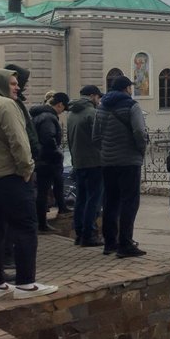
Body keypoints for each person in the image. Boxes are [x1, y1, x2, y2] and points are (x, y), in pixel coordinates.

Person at [0, 69, 59, 300]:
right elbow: (18, 141)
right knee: (25, 227)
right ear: (0, 84)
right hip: (11, 176)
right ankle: (26, 283)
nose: (17, 87)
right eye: (12, 83)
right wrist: (26, 169)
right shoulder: (5, 105)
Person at [92, 76, 148, 258]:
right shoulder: (132, 106)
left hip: (108, 163)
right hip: (129, 161)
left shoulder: (101, 107)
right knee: (129, 202)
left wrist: (105, 152)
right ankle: (125, 243)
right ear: (126, 89)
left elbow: (95, 137)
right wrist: (141, 150)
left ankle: (110, 243)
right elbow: (139, 131)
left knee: (110, 202)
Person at [67, 85, 104, 247]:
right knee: (93, 199)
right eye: (98, 97)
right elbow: (100, 139)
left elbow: (68, 139)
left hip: (78, 162)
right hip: (94, 162)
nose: (99, 100)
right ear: (93, 96)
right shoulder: (92, 113)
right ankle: (89, 235)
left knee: (81, 199)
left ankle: (79, 233)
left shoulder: (72, 114)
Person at [30, 92, 71, 232]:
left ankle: (41, 222)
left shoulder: (38, 114)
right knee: (43, 192)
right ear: (59, 105)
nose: (62, 112)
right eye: (63, 109)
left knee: (42, 191)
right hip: (47, 160)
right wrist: (58, 154)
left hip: (40, 159)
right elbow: (48, 139)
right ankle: (42, 224)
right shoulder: (48, 117)